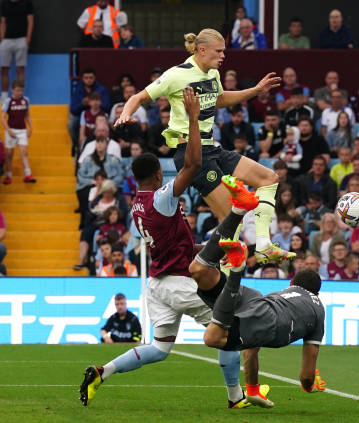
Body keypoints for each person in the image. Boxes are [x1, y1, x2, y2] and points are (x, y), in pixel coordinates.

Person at [80, 88, 263, 410]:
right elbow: (192, 165)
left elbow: (174, 243)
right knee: (229, 330)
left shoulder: (136, 205)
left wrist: (210, 246)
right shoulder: (160, 198)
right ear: (155, 174)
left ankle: (102, 371)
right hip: (182, 283)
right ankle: (236, 397)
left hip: (158, 285)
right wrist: (194, 119)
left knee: (160, 348)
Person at [115, 28, 294, 264]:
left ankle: (263, 245)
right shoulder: (176, 75)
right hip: (191, 153)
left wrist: (256, 91)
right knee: (231, 217)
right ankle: (217, 272)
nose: (223, 56)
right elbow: (138, 97)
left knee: (269, 178)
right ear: (202, 50)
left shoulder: (213, 74)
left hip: (212, 147)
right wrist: (126, 114)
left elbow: (220, 99)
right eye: (219, 51)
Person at [202, 252, 327, 407]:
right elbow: (307, 374)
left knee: (225, 293)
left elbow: (250, 349)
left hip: (262, 303)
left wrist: (252, 387)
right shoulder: (319, 309)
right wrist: (309, 384)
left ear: (291, 283)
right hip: (276, 324)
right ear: (317, 293)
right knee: (214, 338)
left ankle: (224, 271)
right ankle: (227, 272)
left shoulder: (283, 292)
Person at [69, 69, 111, 156]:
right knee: (72, 123)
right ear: (82, 79)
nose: (88, 80)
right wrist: (83, 104)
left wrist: (94, 104)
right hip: (82, 114)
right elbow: (73, 109)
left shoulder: (102, 89)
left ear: (94, 78)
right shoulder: (78, 89)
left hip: (100, 114)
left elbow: (107, 107)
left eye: (91, 77)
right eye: (86, 78)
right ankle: (76, 145)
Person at [0, 0, 33, 102]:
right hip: (7, 40)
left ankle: (19, 95)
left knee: (20, 69)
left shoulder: (27, 3)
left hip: (21, 39)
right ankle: (4, 96)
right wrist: (2, 38)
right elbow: (2, 22)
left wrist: (28, 38)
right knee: (4, 69)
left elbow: (30, 21)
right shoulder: (3, 3)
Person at [1, 79, 32, 183]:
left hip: (22, 130)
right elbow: (2, 117)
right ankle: (8, 176)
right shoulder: (8, 101)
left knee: (24, 152)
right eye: (18, 90)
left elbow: (27, 115)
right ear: (12, 90)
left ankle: (28, 174)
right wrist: (8, 131)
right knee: (9, 154)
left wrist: (30, 128)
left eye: (21, 90)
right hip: (11, 130)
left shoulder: (26, 100)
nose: (20, 93)